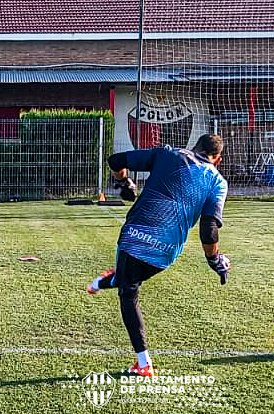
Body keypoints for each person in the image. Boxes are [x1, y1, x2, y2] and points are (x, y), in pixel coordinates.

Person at [86, 134, 230, 377]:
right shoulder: (217, 182)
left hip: (135, 236)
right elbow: (209, 229)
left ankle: (143, 363)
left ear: (194, 147)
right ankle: (103, 282)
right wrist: (214, 260)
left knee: (128, 292)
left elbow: (115, 160)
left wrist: (124, 184)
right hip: (167, 251)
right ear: (217, 159)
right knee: (131, 277)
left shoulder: (168, 153)